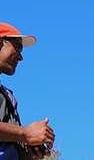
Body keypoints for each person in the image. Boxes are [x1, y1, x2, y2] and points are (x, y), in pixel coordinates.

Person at [0, 22, 55, 159]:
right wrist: (24, 133)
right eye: (17, 47)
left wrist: (27, 148)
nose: (20, 57)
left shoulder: (7, 95)